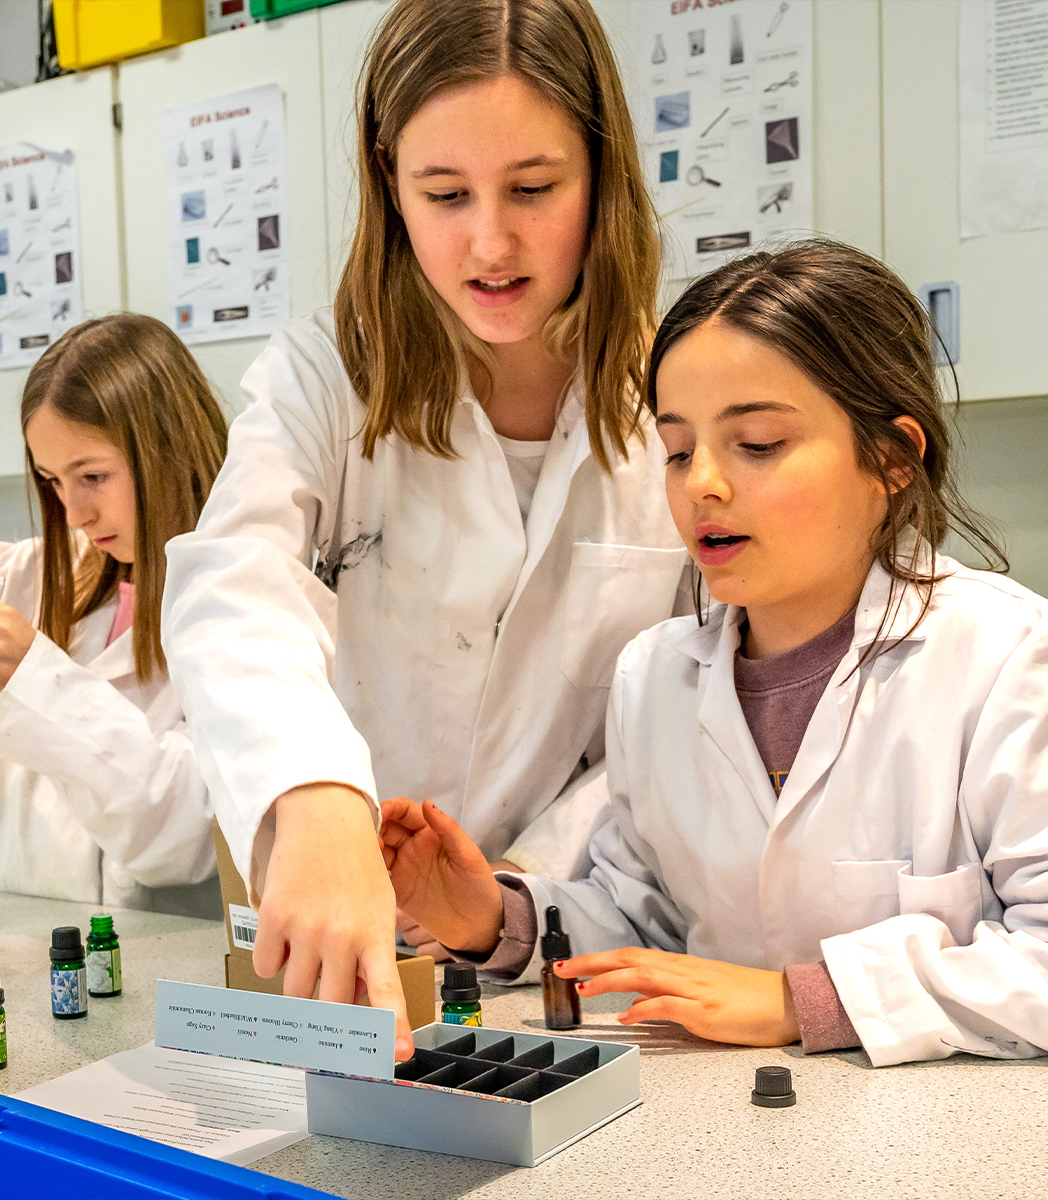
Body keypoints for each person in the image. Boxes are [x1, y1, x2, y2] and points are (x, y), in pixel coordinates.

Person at [161, 0, 688, 1054]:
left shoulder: (671, 395)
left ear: (604, 176)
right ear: (388, 186)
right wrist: (316, 801)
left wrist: (502, 898)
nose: (491, 242)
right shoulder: (326, 375)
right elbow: (234, 584)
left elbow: (674, 711)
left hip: (565, 948)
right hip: (347, 952)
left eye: (535, 189)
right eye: (444, 194)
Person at [380, 239, 1048, 1068]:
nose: (703, 484)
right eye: (678, 449)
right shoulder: (653, 676)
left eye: (758, 443)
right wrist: (491, 916)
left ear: (890, 458)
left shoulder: (1007, 658)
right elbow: (647, 919)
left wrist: (807, 1001)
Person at [0, 314, 229, 915]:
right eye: (52, 481)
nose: (74, 511)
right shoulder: (23, 578)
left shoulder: (243, 606)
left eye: (93, 476)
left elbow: (185, 836)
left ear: (169, 448)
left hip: (143, 962)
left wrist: (38, 681)